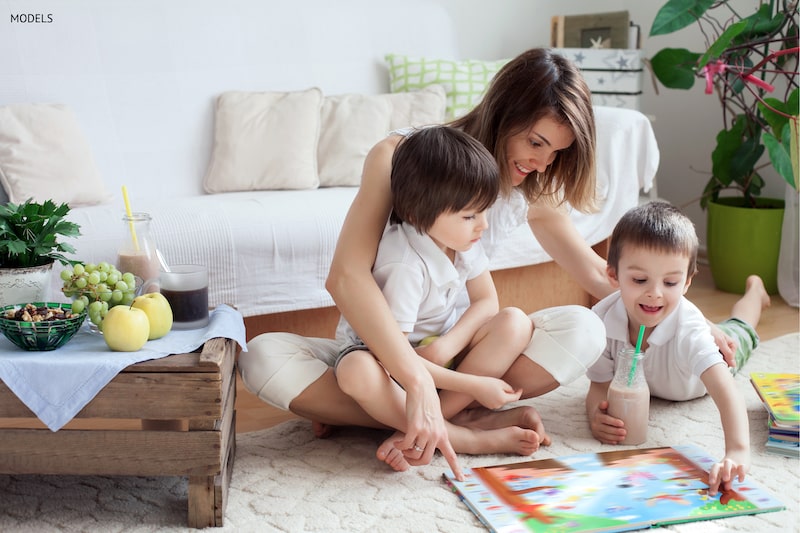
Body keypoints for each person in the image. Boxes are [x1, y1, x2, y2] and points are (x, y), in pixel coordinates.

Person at [239, 48, 728, 477]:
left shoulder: (529, 183)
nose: (542, 163)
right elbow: (346, 277)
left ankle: (377, 417)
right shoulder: (404, 157)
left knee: (585, 330)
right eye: (536, 142)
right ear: (503, 110)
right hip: (386, 347)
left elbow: (595, 272)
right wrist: (413, 377)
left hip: (459, 352)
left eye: (557, 153)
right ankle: (457, 425)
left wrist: (694, 319)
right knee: (261, 358)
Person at [334, 126, 550, 473]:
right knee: (356, 371)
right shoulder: (404, 265)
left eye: (484, 211)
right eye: (469, 216)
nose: (483, 226)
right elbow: (394, 359)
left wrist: (446, 348)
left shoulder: (462, 241)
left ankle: (429, 423)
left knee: (515, 322)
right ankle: (469, 437)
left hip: (434, 356)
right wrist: (475, 385)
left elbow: (486, 302)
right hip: (390, 361)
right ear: (420, 216)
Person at [584, 201, 770, 495]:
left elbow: (727, 393)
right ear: (613, 275)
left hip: (700, 378)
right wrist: (596, 414)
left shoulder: (691, 333)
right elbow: (599, 384)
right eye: (639, 279)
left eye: (670, 282)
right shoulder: (602, 321)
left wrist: (737, 451)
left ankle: (755, 294)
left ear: (687, 283)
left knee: (740, 330)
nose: (654, 293)